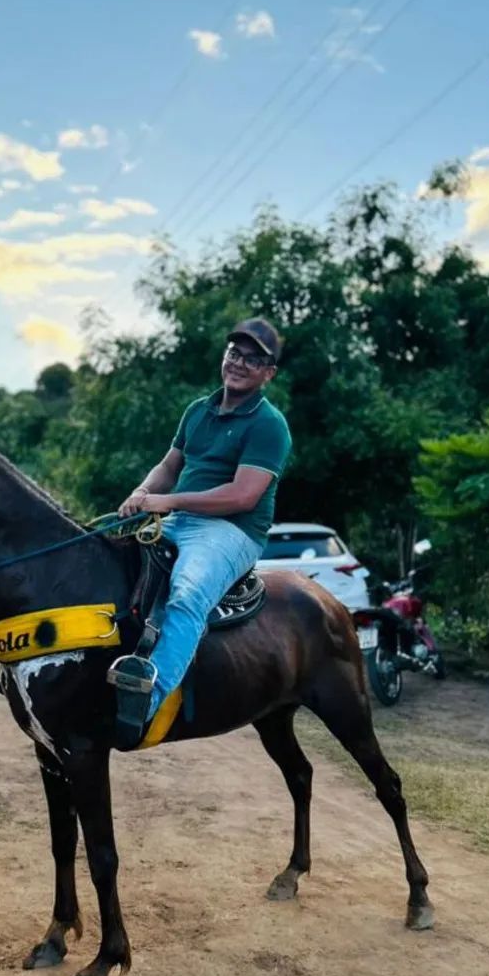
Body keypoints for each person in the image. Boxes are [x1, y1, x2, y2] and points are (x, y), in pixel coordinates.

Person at [109, 317, 292, 744]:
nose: (239, 363)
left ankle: (144, 702)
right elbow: (170, 467)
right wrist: (141, 492)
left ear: (269, 373)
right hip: (179, 519)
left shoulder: (269, 424)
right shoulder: (198, 410)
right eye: (234, 353)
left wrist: (167, 502)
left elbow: (243, 496)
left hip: (231, 531)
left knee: (188, 593)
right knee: (105, 554)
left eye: (253, 358)